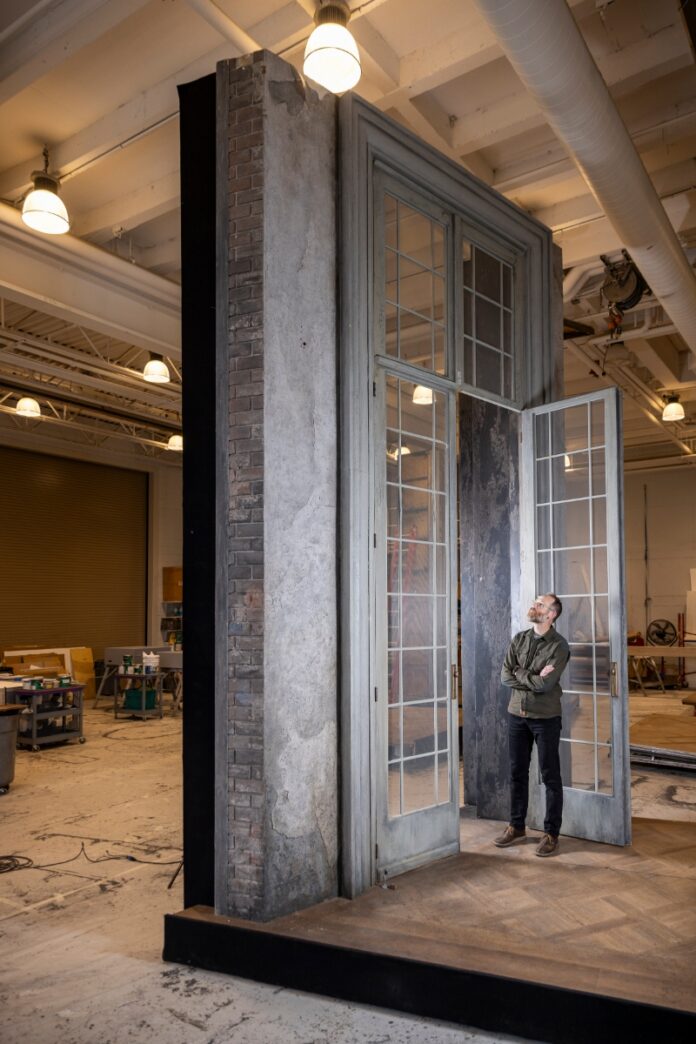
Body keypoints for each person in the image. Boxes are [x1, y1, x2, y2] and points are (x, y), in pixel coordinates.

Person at [496, 593, 570, 857]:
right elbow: (505, 677)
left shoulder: (559, 646)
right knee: (517, 772)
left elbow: (546, 685)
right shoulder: (520, 639)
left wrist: (520, 673)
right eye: (535, 602)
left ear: (551, 614)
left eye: (540, 604)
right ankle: (516, 827)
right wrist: (530, 676)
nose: (534, 605)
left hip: (546, 718)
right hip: (517, 714)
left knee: (550, 775)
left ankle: (551, 833)